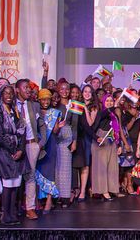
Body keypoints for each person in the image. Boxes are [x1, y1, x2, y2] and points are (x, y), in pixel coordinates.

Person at [0, 85, 30, 225]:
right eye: (6, 93)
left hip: (18, 153)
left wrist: (20, 150)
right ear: (1, 95)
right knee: (7, 185)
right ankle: (5, 214)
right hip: (5, 153)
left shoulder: (16, 112)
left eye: (11, 93)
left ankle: (12, 213)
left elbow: (22, 131)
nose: (9, 95)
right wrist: (13, 150)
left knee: (16, 184)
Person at [15, 78, 46, 220]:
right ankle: (12, 208)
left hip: (32, 145)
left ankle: (30, 207)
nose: (28, 90)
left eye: (29, 87)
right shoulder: (11, 104)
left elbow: (42, 125)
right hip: (16, 146)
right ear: (17, 90)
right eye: (25, 87)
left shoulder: (34, 105)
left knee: (30, 177)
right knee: (15, 178)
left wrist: (41, 142)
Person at [91, 95, 127, 201]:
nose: (110, 102)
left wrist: (119, 144)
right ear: (103, 102)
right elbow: (95, 125)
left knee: (112, 166)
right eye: (107, 101)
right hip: (101, 137)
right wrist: (115, 105)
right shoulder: (101, 113)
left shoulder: (114, 114)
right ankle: (103, 191)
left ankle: (113, 189)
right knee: (101, 167)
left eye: (111, 101)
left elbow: (117, 130)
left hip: (112, 139)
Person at [35, 89, 61, 214]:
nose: (46, 102)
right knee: (38, 171)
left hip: (50, 144)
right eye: (43, 99)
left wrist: (58, 126)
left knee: (49, 172)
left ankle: (49, 200)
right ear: (39, 100)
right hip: (38, 144)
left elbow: (55, 131)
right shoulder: (35, 111)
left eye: (48, 99)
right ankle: (39, 200)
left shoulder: (54, 113)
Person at [55, 80, 78, 208]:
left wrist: (74, 141)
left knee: (65, 168)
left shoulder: (73, 105)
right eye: (62, 89)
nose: (65, 91)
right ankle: (56, 195)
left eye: (67, 89)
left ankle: (65, 196)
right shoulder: (55, 104)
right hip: (55, 136)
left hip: (67, 137)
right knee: (56, 168)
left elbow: (75, 125)